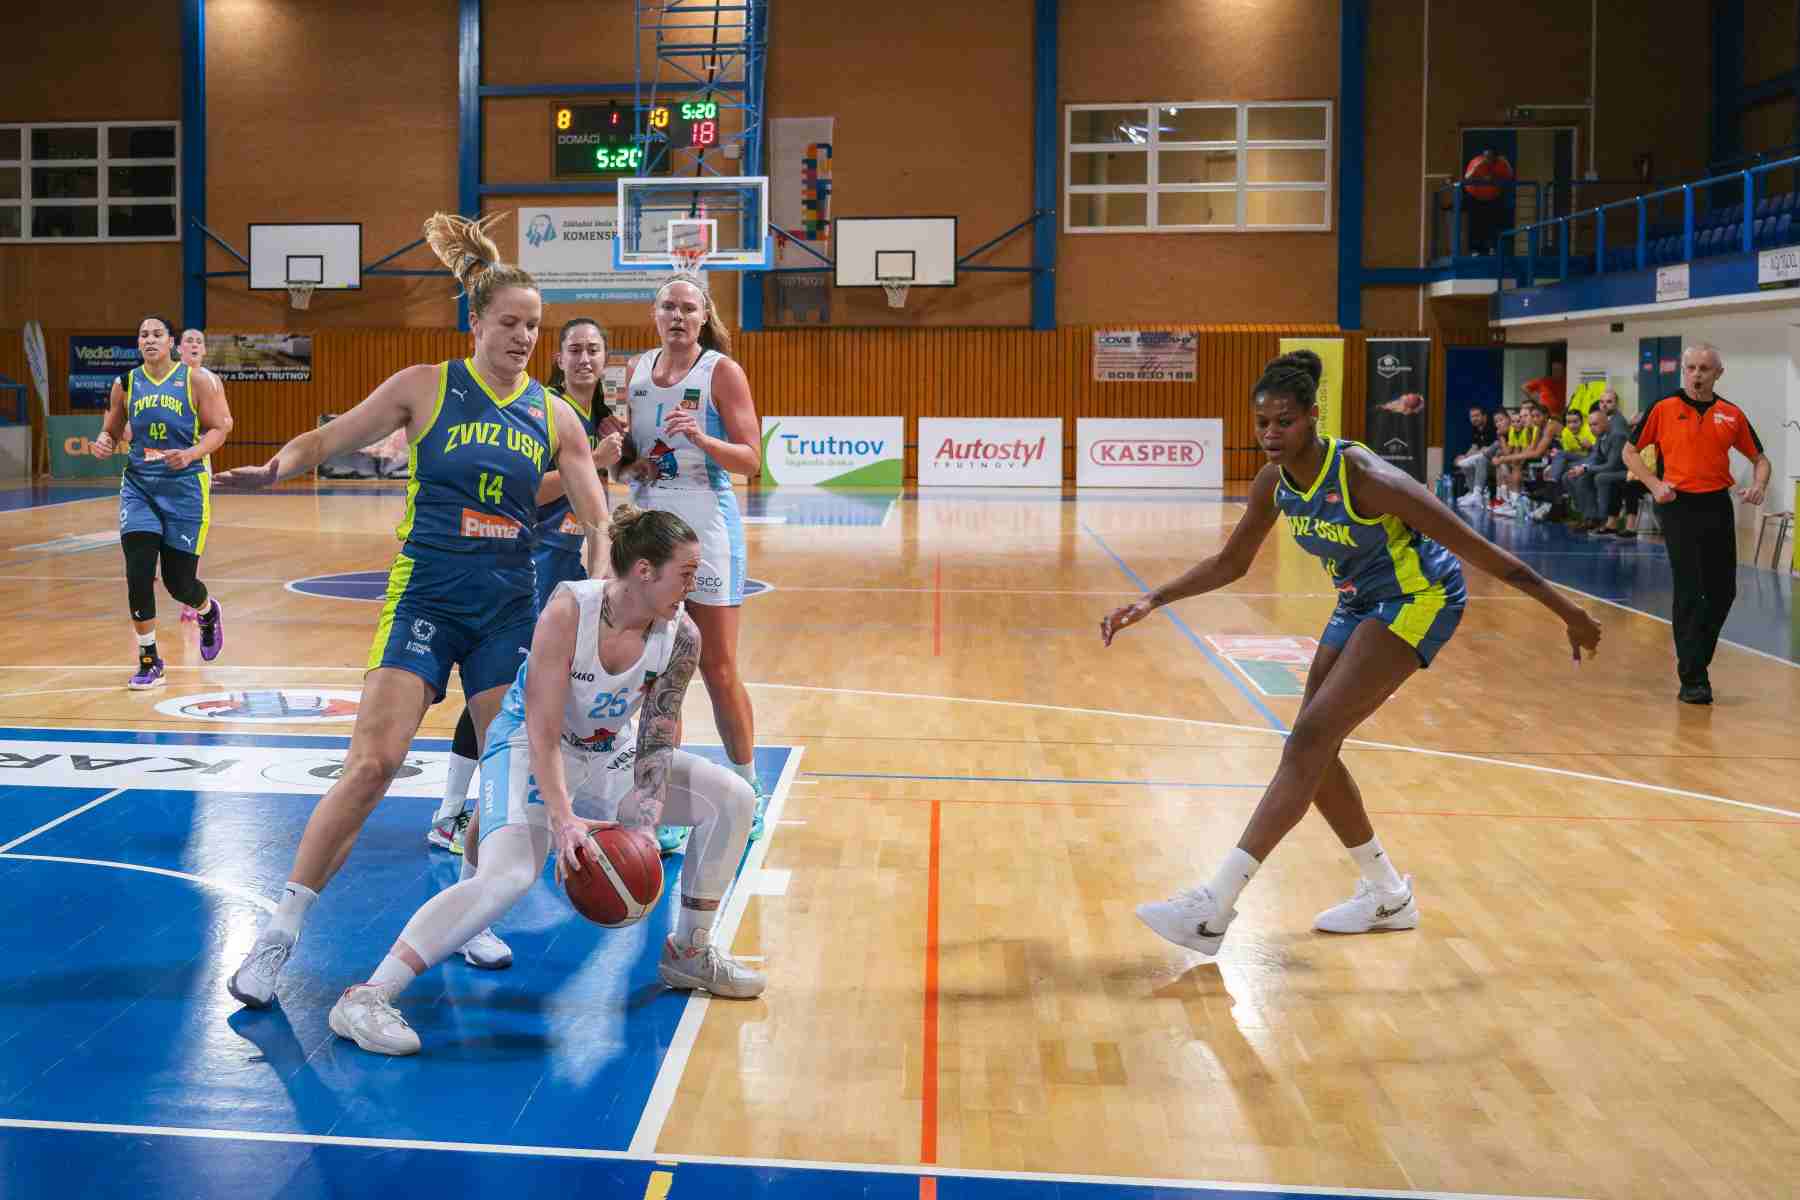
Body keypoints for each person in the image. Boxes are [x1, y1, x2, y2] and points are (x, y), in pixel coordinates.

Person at [220, 211, 612, 1008]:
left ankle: (469, 910)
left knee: (508, 776)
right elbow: (327, 440)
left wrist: (597, 592)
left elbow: (600, 521)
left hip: (508, 608)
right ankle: (280, 933)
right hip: (427, 593)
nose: (523, 337)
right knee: (373, 764)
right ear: (477, 324)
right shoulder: (424, 386)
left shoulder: (555, 415)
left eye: (533, 326)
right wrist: (276, 468)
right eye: (511, 323)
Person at [1100, 350, 1601, 955]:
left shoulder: (1366, 478)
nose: (1270, 434)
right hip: (1358, 600)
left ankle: (1214, 905)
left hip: (1420, 597)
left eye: (1284, 421)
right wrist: (1152, 599)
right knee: (1313, 750)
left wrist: (1568, 612)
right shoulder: (1274, 483)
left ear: (1313, 416)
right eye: (1262, 423)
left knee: (1308, 741)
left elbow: (1480, 550)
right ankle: (1387, 893)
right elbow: (1232, 562)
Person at [328, 505, 764, 1056]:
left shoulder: (682, 635)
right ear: (644, 571)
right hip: (530, 747)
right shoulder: (569, 610)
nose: (693, 585)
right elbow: (542, 727)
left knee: (733, 798)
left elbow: (657, 737)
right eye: (686, 572)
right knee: (510, 875)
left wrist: (644, 827)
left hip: (609, 751)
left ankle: (690, 952)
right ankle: (366, 997)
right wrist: (563, 818)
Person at [427, 318, 622, 856]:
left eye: (594, 350)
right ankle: (450, 812)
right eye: (575, 350)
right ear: (558, 359)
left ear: (605, 360)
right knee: (499, 688)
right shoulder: (542, 411)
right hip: (531, 565)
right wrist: (596, 462)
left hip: (572, 572)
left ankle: (549, 803)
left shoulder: (601, 421)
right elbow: (525, 489)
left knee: (547, 693)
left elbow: (598, 511)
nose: (584, 359)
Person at [610, 273, 766, 855]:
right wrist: (627, 464)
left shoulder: (720, 371)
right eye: (668, 307)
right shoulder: (635, 371)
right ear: (654, 315)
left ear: (703, 317)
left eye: (687, 308)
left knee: (717, 669)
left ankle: (748, 789)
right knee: (658, 675)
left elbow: (752, 460)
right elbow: (628, 463)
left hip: (707, 530)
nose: (677, 316)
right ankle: (665, 800)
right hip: (650, 534)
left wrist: (701, 439)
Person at [89, 315, 233, 688]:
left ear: (171, 342)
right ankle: (149, 659)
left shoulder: (196, 380)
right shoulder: (125, 383)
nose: (150, 340)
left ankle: (206, 610)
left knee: (179, 583)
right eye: (143, 335)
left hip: (185, 487)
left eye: (157, 334)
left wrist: (191, 453)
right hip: (139, 486)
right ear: (138, 343)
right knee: (138, 571)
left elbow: (220, 427)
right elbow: (112, 429)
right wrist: (105, 441)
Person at [1621, 344, 1770, 704]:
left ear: (1718, 373)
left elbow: (1760, 459)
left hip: (1717, 504)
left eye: (1705, 368)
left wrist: (1758, 485)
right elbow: (1630, 451)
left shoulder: (1731, 414)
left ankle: (1696, 659)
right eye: (1691, 368)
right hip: (1678, 505)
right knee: (1690, 589)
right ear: (1683, 371)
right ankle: (1693, 679)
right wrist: (1654, 485)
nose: (1697, 374)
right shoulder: (1663, 408)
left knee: (1723, 591)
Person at [177, 328, 214, 623]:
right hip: (159, 461)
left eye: (198, 341)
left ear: (204, 350)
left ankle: (189, 596)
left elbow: (217, 424)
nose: (193, 345)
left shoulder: (210, 381)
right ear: (178, 348)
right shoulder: (163, 379)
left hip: (197, 461)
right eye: (188, 340)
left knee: (190, 526)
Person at [1565, 407, 1627, 531]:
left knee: (1599, 477)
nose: (1592, 428)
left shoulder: (1617, 436)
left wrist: (1586, 469)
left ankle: (1601, 519)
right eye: (1590, 425)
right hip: (1610, 469)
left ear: (1605, 422)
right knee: (1570, 477)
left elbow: (1612, 465)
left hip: (1624, 471)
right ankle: (1588, 516)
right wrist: (1581, 467)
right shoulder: (1600, 435)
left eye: (1595, 424)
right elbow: (1595, 457)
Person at [1461, 147, 1516, 255]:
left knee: (1493, 224)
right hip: (1475, 197)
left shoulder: (1501, 163)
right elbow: (1467, 177)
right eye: (1486, 157)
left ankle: (1492, 248)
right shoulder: (1477, 162)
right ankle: (1476, 250)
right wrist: (1477, 168)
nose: (1488, 159)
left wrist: (1506, 164)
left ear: (1496, 158)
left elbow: (1510, 176)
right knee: (1476, 224)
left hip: (1493, 197)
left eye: (1491, 157)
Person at [1450, 405, 1498, 506]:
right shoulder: (1476, 428)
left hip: (1494, 461)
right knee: (1465, 464)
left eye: (1477, 415)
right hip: (1483, 458)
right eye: (1472, 416)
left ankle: (1477, 494)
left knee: (1480, 460)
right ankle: (1472, 493)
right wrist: (1464, 457)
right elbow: (1474, 447)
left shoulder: (1491, 427)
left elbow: (1485, 450)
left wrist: (1468, 459)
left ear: (1484, 416)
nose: (1474, 418)